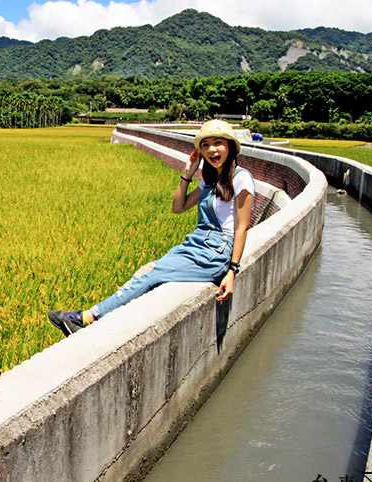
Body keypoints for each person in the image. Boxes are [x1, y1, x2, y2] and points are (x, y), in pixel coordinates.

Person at [49, 120, 255, 336]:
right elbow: (179, 207)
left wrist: (232, 271)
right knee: (147, 270)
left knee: (152, 274)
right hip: (196, 243)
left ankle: (87, 318)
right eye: (205, 145)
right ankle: (111, 324)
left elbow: (242, 228)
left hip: (216, 252)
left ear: (230, 146)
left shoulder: (241, 178)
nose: (212, 149)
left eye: (218, 143)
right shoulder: (210, 181)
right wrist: (187, 174)